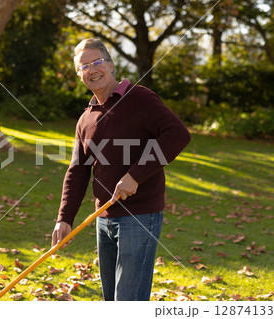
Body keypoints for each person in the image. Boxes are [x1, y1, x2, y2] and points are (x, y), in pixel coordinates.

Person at [51, 38, 191, 301]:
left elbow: (178, 135)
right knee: (112, 300)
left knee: (129, 300)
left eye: (97, 62)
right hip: (103, 218)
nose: (92, 70)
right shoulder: (86, 118)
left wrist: (134, 176)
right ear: (79, 75)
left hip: (139, 217)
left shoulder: (139, 98)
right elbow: (77, 171)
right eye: (84, 66)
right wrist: (64, 218)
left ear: (111, 65)